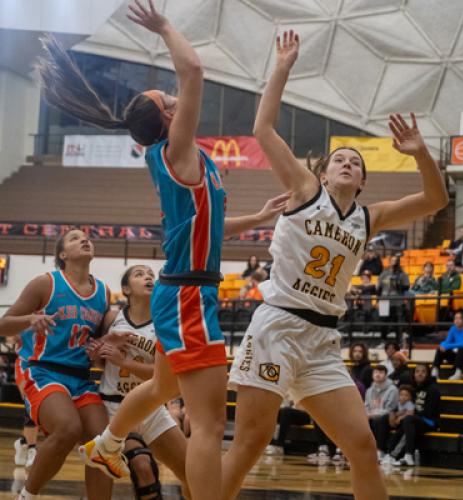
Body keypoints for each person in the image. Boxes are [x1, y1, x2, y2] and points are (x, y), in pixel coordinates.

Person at [37, 4, 289, 498]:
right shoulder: (177, 152)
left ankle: (107, 444)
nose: (177, 95)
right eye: (167, 97)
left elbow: (206, 228)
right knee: (210, 423)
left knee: (161, 388)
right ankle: (115, 449)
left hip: (185, 292)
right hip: (191, 296)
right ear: (169, 117)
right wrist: (164, 26)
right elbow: (193, 69)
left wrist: (257, 219)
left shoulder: (183, 162)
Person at [223, 29, 448, 500]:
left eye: (355, 162)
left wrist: (421, 152)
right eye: (339, 159)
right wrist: (283, 67)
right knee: (250, 441)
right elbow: (263, 130)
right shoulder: (306, 192)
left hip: (323, 338)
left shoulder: (370, 216)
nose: (347, 164)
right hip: (278, 328)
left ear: (362, 180)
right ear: (323, 172)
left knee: (362, 445)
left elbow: (434, 197)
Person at [0, 229, 112, 500]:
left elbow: (96, 349)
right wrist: (29, 320)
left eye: (87, 237)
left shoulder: (104, 292)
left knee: (105, 443)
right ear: (62, 254)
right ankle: (27, 494)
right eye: (75, 238)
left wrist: (102, 349)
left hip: (80, 376)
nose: (84, 239)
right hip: (40, 369)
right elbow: (3, 324)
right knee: (68, 428)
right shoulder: (45, 283)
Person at [88, 265, 189, 499]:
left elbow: (164, 377)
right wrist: (104, 343)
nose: (148, 277)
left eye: (151, 275)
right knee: (143, 467)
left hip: (151, 407)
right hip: (115, 408)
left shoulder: (164, 323)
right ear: (126, 288)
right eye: (140, 274)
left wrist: (125, 363)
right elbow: (92, 356)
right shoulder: (113, 318)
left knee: (189, 469)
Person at [387, 364, 440, 466]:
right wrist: (394, 414)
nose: (420, 374)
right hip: (414, 419)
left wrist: (406, 415)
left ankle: (407, 455)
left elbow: (429, 413)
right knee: (402, 423)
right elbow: (402, 404)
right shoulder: (413, 389)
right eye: (417, 371)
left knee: (408, 420)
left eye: (423, 372)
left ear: (428, 374)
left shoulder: (433, 390)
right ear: (414, 374)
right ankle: (391, 455)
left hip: (430, 421)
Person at [432, 310, 463, 380]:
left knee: (461, 349)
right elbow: (447, 342)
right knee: (440, 349)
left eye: (459, 318)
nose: (456, 320)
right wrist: (442, 345)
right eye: (455, 318)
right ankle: (434, 371)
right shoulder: (453, 328)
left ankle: (458, 372)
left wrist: (447, 346)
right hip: (458, 357)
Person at [364, 366, 398, 461]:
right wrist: (367, 415)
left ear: (386, 375)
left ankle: (380, 450)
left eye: (381, 372)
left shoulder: (393, 389)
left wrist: (372, 415)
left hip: (388, 418)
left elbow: (390, 409)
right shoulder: (369, 390)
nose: (378, 374)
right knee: (360, 420)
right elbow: (366, 406)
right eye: (375, 372)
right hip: (371, 416)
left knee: (379, 420)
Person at [379, 385, 415, 465]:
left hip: (405, 423)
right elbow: (394, 411)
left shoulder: (409, 404)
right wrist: (393, 416)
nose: (403, 397)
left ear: (410, 398)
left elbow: (410, 413)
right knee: (383, 420)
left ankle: (392, 455)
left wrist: (400, 418)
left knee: (399, 434)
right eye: (401, 395)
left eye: (406, 395)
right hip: (399, 424)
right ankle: (383, 452)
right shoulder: (398, 403)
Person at [377, 255, 410, 342]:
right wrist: (378, 300)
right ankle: (383, 340)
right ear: (389, 262)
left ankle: (398, 341)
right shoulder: (384, 273)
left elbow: (406, 287)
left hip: (397, 301)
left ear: (398, 262)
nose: (393, 262)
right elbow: (379, 288)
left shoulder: (402, 274)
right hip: (384, 301)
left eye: (395, 261)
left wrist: (397, 283)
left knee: (397, 323)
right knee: (384, 322)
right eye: (392, 260)